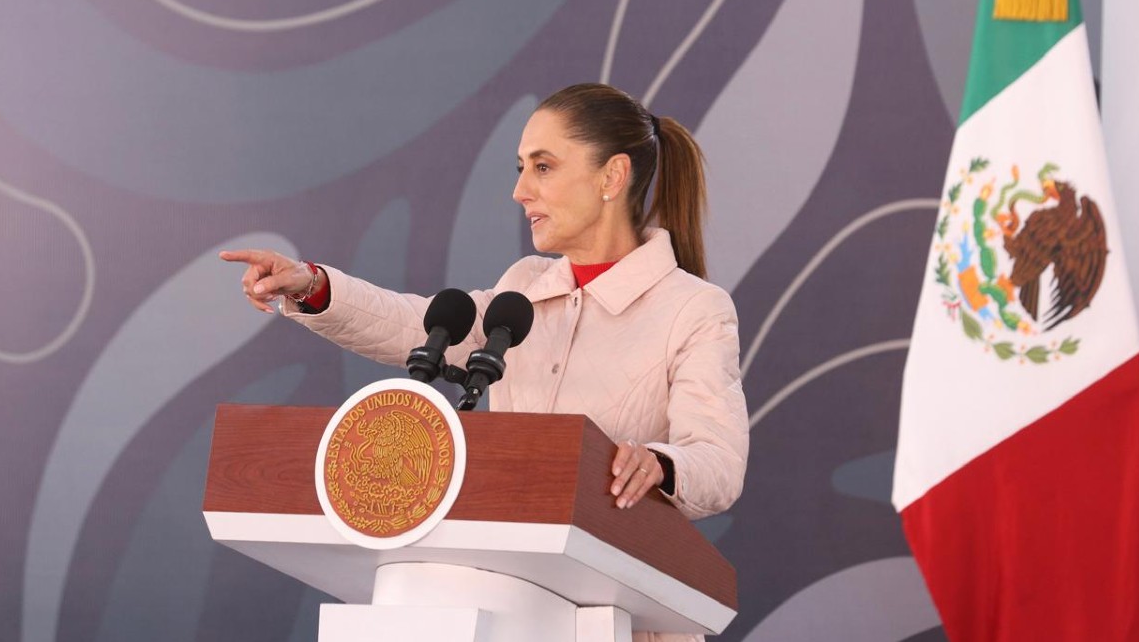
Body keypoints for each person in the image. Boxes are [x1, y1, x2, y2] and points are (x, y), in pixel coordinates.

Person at [221, 83, 749, 642]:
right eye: (520, 168)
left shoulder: (693, 308)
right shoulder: (523, 289)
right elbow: (417, 327)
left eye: (543, 167)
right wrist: (313, 286)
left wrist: (661, 464)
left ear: (611, 178)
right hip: (500, 611)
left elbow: (718, 461)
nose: (521, 191)